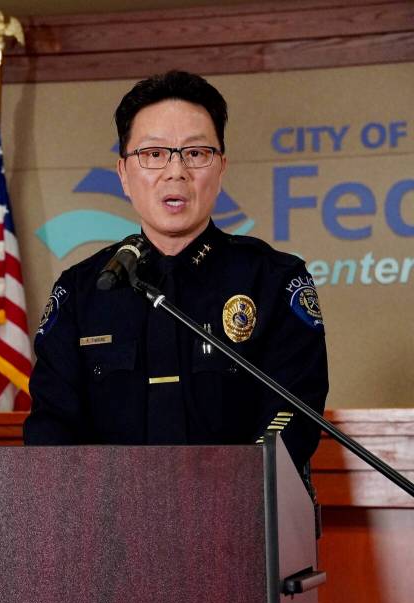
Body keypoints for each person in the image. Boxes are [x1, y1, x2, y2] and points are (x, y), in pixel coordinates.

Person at [23, 70, 328, 474]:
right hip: (107, 523)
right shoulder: (82, 291)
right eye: (153, 154)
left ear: (221, 168)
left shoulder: (275, 280)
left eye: (196, 153)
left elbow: (293, 413)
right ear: (123, 174)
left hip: (239, 517)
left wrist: (244, 484)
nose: (175, 171)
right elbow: (51, 426)